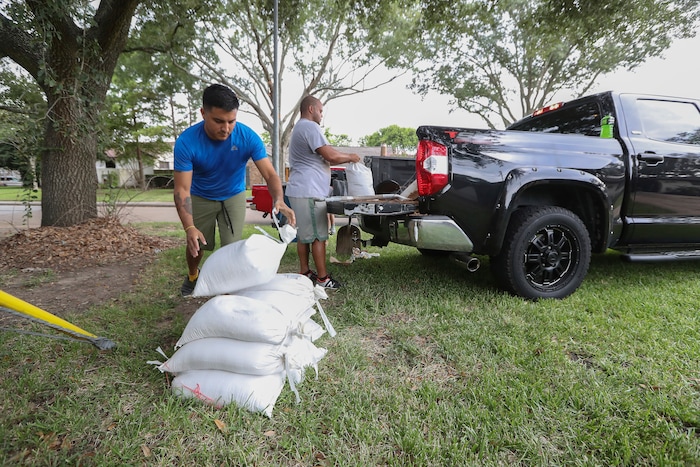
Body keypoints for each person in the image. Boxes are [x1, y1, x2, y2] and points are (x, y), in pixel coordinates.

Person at [173, 84, 295, 297]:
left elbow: (270, 175)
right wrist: (189, 226)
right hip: (201, 195)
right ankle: (193, 275)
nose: (226, 128)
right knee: (198, 244)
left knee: (232, 249)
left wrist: (279, 198)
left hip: (234, 195)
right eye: (219, 121)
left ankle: (227, 291)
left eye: (231, 121)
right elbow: (182, 189)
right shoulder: (187, 142)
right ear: (203, 113)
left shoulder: (247, 137)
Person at [286, 95, 360, 289]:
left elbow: (328, 157)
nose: (321, 115)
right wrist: (351, 157)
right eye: (320, 110)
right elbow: (330, 156)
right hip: (309, 191)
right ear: (310, 109)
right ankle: (323, 278)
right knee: (319, 236)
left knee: (304, 235)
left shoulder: (300, 127)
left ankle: (304, 271)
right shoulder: (310, 127)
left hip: (300, 189)